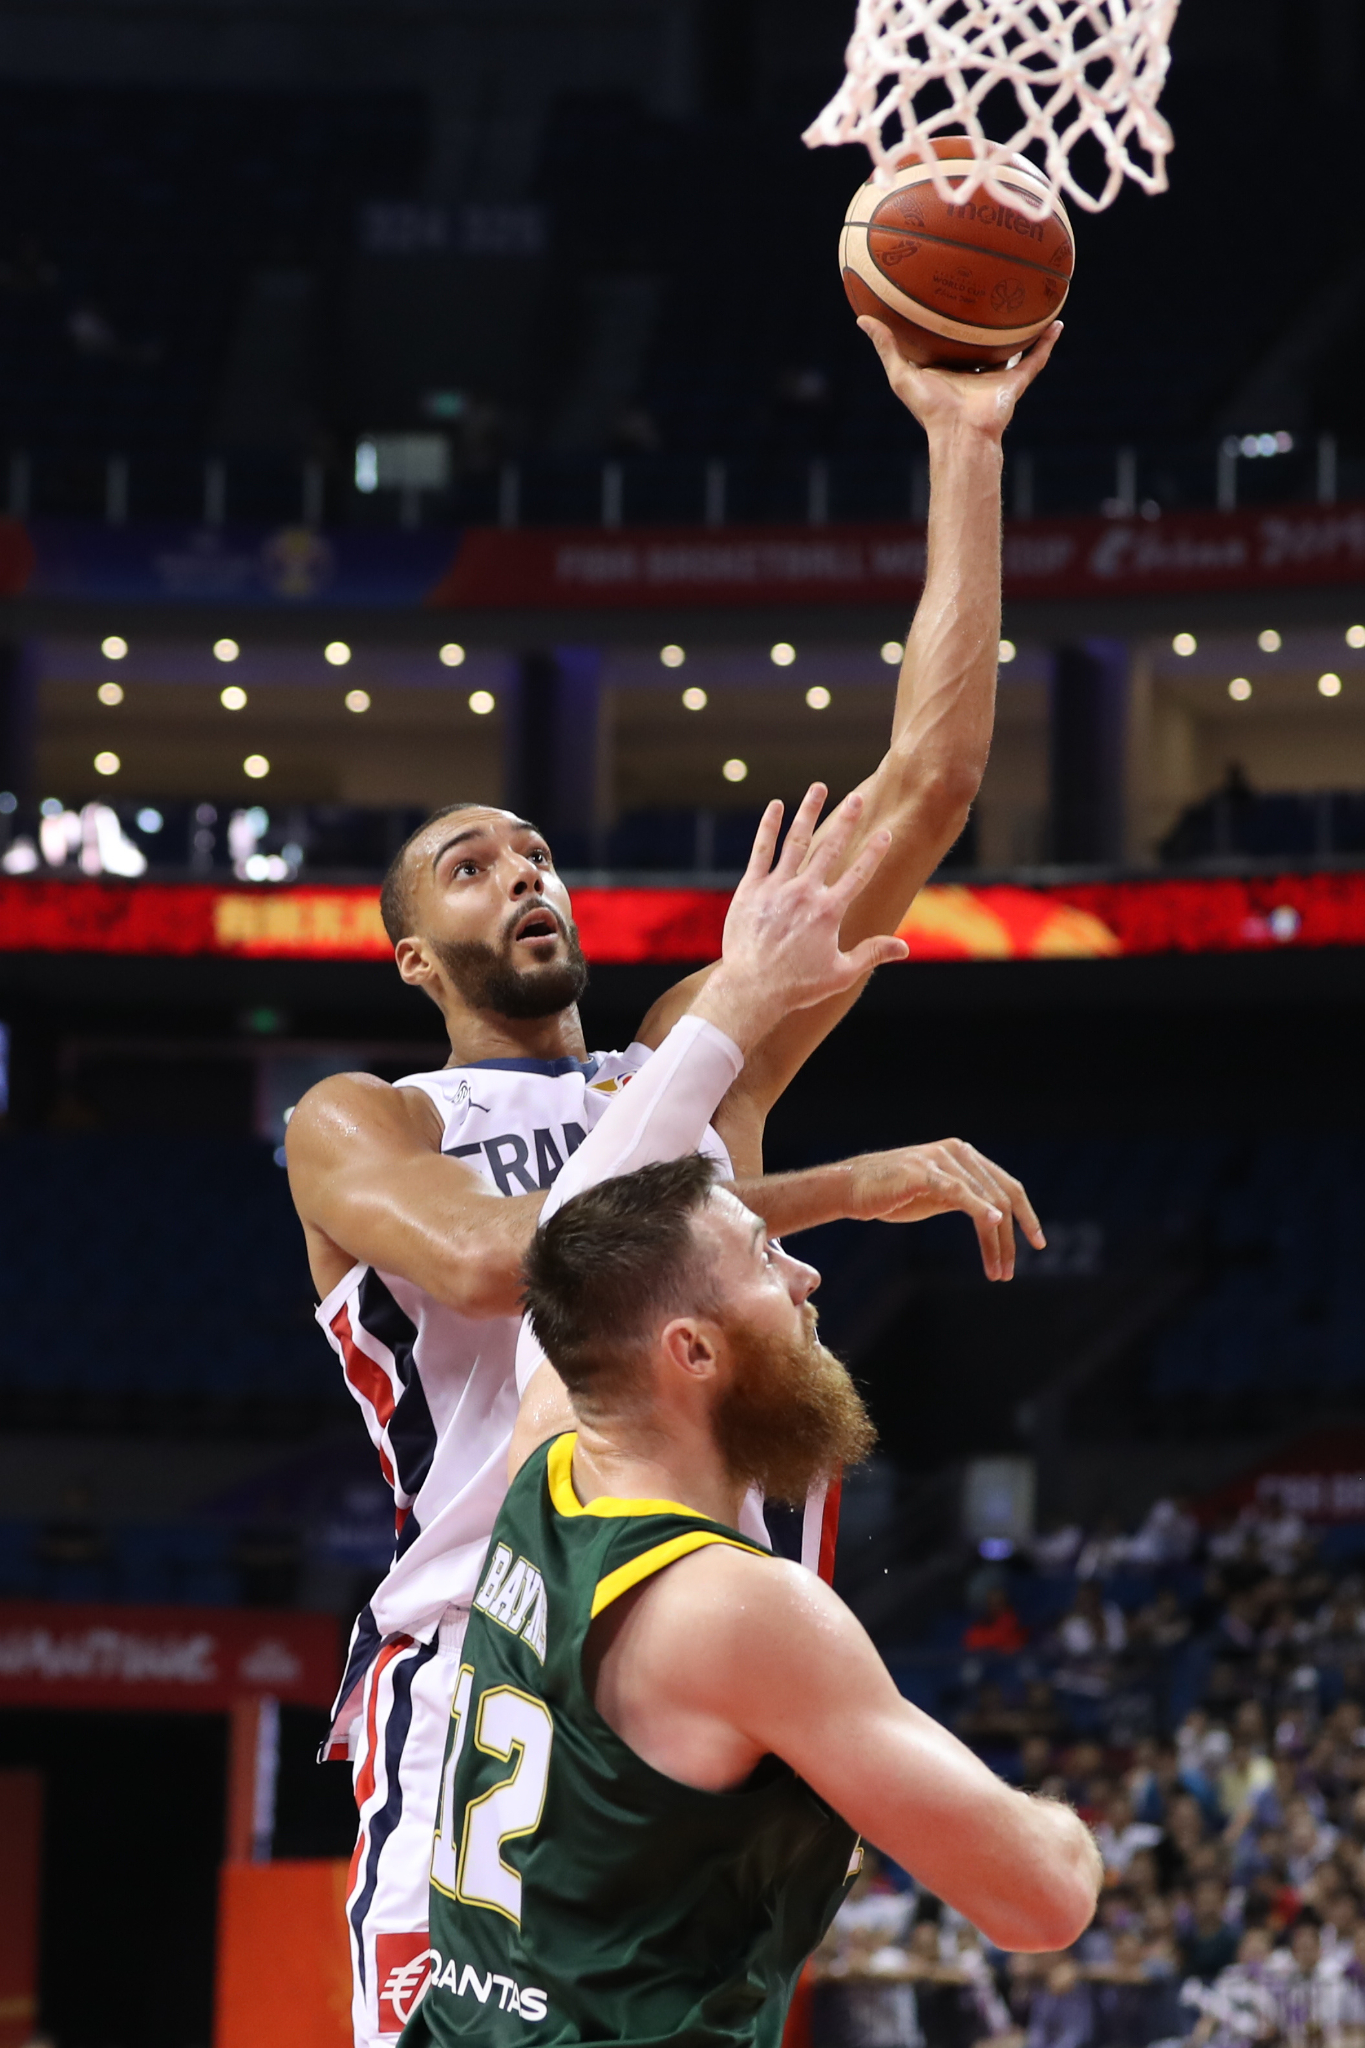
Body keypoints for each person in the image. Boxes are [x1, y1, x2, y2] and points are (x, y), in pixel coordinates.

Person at [286, 315, 1063, 2048]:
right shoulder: (366, 1114)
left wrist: (967, 437)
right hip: (488, 1663)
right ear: (414, 951)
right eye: (474, 868)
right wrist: (821, 1177)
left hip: (707, 1650)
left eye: (540, 850)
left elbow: (926, 787)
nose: (525, 874)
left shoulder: (671, 1068)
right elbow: (516, 1270)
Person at [403, 1148, 1101, 2048]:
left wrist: (843, 1190)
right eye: (768, 1259)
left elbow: (579, 1244)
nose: (808, 1274)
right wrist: (1068, 1828)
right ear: (689, 1347)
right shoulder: (734, 1609)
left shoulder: (544, 1461)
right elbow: (1042, 1900)